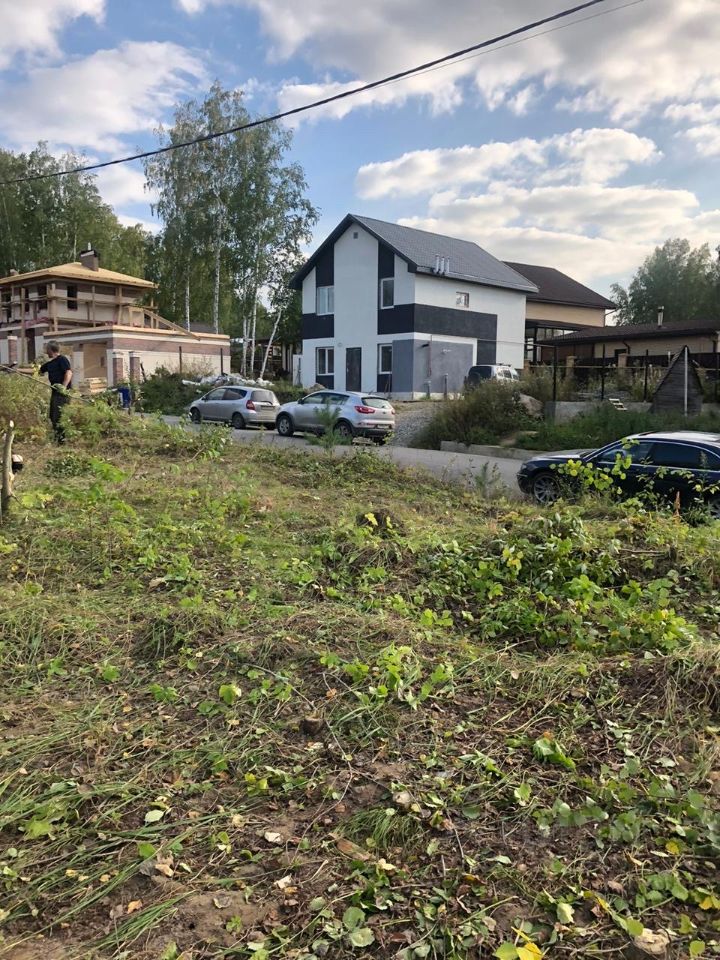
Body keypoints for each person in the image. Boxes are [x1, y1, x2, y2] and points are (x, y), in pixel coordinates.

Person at [40, 341, 72, 442]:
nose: (46, 352)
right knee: (53, 416)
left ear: (51, 349)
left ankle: (62, 440)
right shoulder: (50, 364)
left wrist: (63, 387)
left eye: (47, 349)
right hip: (55, 393)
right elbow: (37, 371)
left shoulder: (62, 359)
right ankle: (57, 439)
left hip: (62, 394)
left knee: (60, 416)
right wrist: (17, 370)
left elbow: (69, 372)